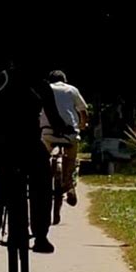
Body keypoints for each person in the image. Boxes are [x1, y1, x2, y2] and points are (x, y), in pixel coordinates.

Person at [0, 60, 70, 255]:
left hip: (0, 145)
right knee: (42, 184)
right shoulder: (40, 85)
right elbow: (54, 118)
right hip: (29, 145)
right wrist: (64, 129)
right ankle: (40, 236)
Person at [40, 70, 88, 206]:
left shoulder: (45, 89)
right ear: (65, 80)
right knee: (71, 158)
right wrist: (82, 125)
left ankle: (42, 181)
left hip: (47, 132)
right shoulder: (72, 90)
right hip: (69, 134)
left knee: (42, 158)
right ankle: (69, 183)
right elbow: (83, 111)